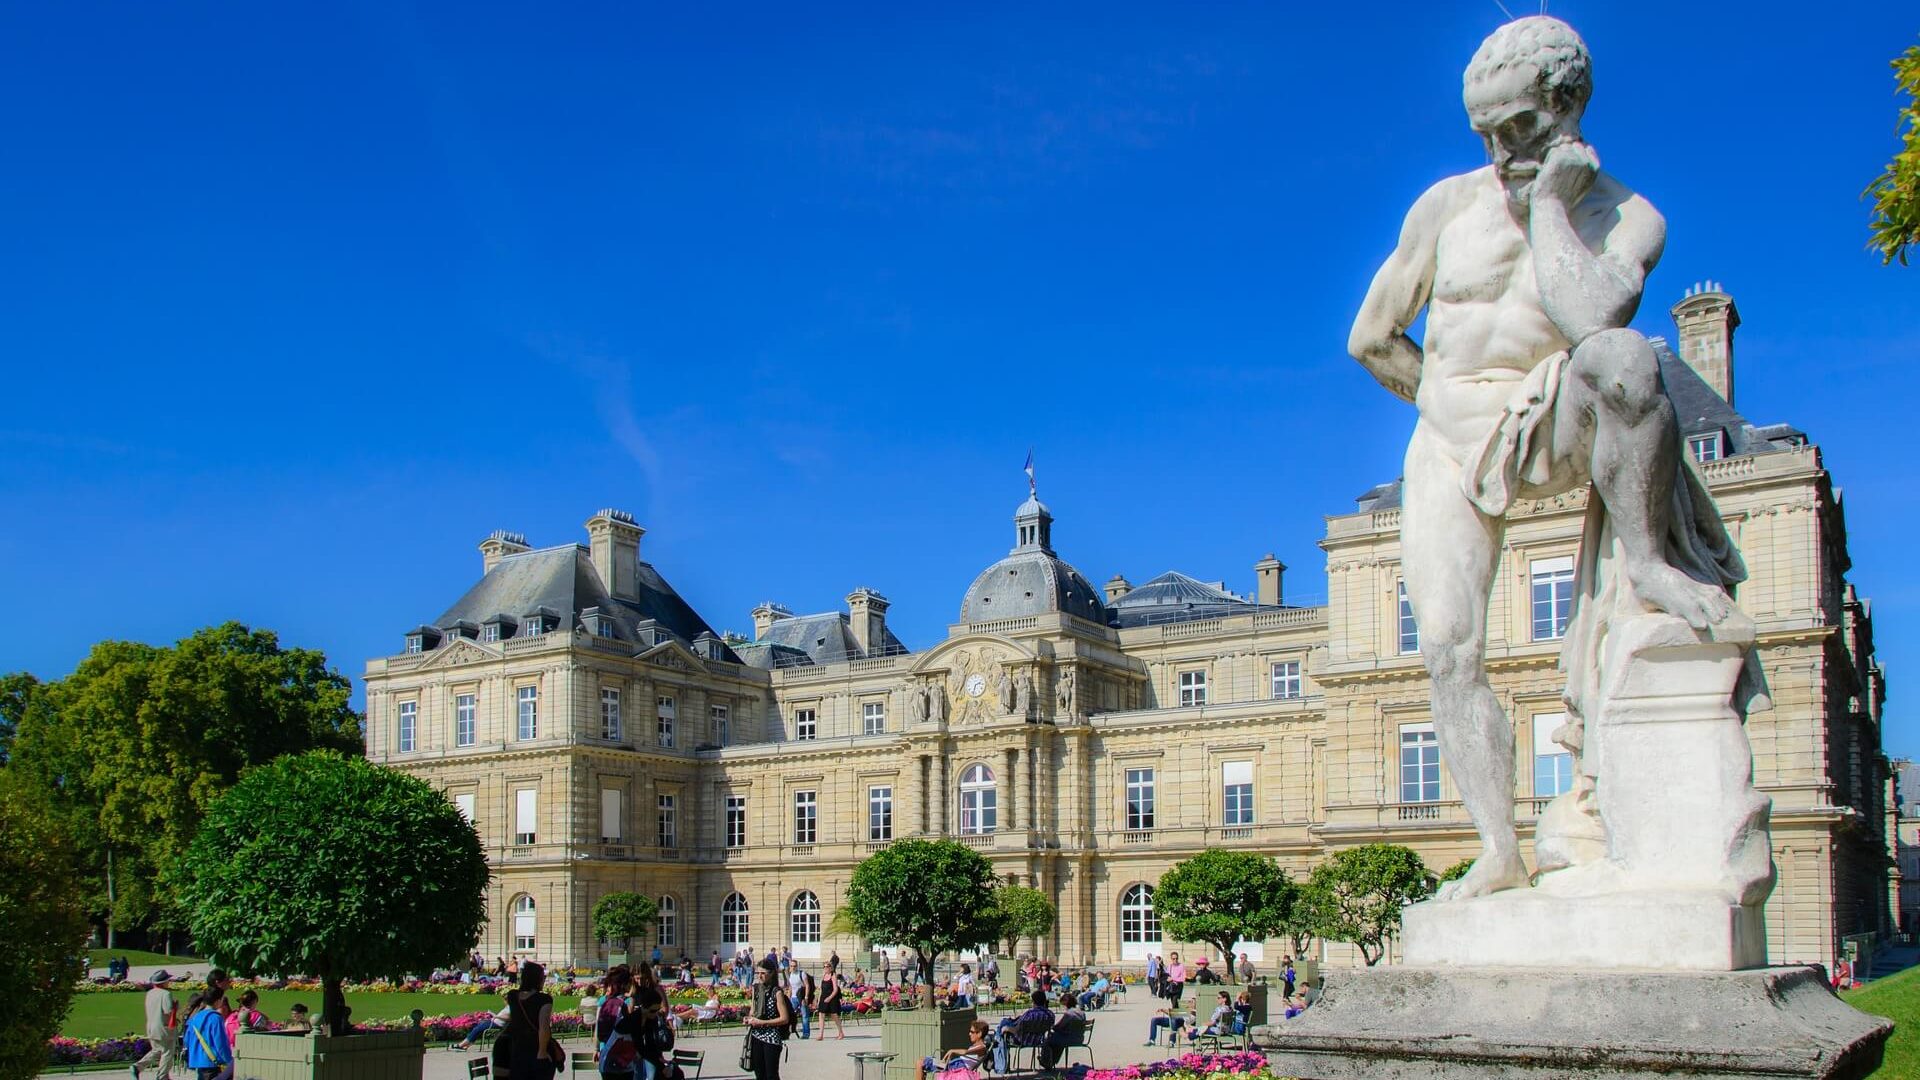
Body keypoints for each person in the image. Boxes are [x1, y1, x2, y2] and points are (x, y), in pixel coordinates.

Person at [1350, 15, 1752, 903]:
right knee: (1449, 652)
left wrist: (1548, 209)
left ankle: (1646, 559)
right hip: (1452, 436)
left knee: (1627, 359)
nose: (1499, 150)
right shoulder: (1445, 206)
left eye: (1519, 127)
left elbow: (1589, 326)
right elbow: (1372, 338)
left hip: (1553, 411)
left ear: (1567, 107)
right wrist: (1452, 410)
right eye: (1483, 132)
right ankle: (1500, 850)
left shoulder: (1628, 216)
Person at [504, 962, 564, 1080]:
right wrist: (542, 1052)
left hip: (517, 1049)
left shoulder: (512, 996)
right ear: (537, 979)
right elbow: (543, 1027)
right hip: (536, 1048)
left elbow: (514, 1021)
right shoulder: (544, 999)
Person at [744, 956, 793, 1080]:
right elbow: (753, 1011)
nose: (759, 976)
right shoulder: (756, 989)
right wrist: (748, 1019)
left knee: (771, 1075)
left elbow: (784, 1018)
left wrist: (763, 1023)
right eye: (758, 973)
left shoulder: (777, 992)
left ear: (771, 974)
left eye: (763, 973)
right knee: (759, 1074)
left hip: (771, 1038)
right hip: (756, 1036)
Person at [132, 973, 180, 1080]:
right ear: (163, 982)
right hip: (164, 1028)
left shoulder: (150, 993)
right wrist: (175, 1007)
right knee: (167, 1053)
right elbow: (168, 1011)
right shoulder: (166, 994)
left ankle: (138, 1067)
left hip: (151, 1027)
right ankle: (162, 1076)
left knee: (157, 1050)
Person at [992, 991, 1054, 1073]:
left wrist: (1007, 1029)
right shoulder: (1050, 1014)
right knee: (1006, 1023)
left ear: (1033, 1001)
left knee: (1002, 1028)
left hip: (1021, 1039)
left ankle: (1001, 1065)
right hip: (1038, 1039)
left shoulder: (1030, 1014)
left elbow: (1017, 1029)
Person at [182, 990, 233, 1080]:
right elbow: (220, 1043)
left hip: (198, 1061)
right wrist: (229, 1061)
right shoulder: (216, 1018)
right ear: (218, 1001)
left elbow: (187, 1040)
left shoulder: (195, 1017)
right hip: (212, 1062)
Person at [595, 966, 636, 1078]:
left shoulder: (603, 1001)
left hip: (606, 1052)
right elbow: (630, 1027)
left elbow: (598, 1029)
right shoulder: (627, 1001)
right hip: (624, 1054)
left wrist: (596, 1048)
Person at [915, 1020, 989, 1080]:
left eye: (972, 1032)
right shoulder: (976, 1046)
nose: (969, 1034)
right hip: (954, 1064)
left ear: (979, 1033)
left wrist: (952, 1050)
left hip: (956, 1067)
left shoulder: (982, 1048)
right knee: (922, 1059)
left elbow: (965, 1052)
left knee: (920, 1062)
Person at [1038, 1001, 1088, 1070]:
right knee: (1057, 1038)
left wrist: (1052, 1027)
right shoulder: (1082, 1013)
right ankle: (1052, 1061)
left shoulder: (1069, 1014)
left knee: (1048, 1039)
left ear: (1065, 1004)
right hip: (1079, 1038)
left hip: (1069, 1039)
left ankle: (1046, 1061)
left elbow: (1058, 1026)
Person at [815, 964, 845, 1040]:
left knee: (834, 1015)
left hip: (832, 998)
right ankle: (821, 1035)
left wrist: (829, 998)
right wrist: (818, 999)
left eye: (827, 966)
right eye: (824, 966)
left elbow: (835, 990)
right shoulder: (823, 975)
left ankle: (841, 1033)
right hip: (823, 997)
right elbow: (821, 989)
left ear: (831, 968)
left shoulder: (833, 976)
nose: (826, 968)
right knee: (821, 1015)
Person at [787, 964, 811, 1041]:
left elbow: (807, 985)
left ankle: (806, 1034)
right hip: (793, 998)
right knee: (788, 1015)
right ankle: (786, 1032)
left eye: (794, 966)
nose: (793, 967)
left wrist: (806, 997)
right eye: (791, 966)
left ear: (797, 966)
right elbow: (790, 987)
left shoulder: (801, 974)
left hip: (801, 997)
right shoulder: (790, 974)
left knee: (804, 1016)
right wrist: (788, 997)